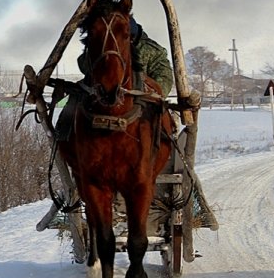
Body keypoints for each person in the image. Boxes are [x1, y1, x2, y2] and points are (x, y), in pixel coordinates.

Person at [38, 16, 173, 231]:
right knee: (74, 108)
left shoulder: (152, 50)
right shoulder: (100, 42)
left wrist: (149, 88)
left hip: (140, 104)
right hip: (101, 99)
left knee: (161, 121)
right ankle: (66, 140)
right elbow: (84, 63)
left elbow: (165, 77)